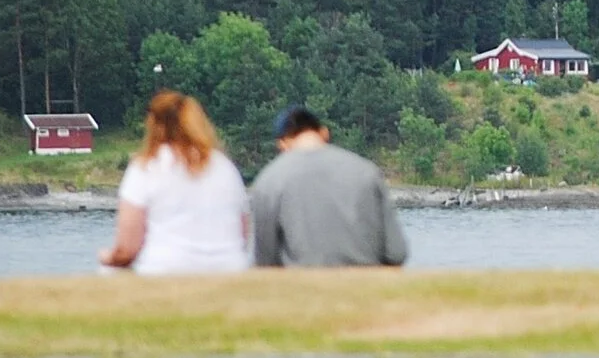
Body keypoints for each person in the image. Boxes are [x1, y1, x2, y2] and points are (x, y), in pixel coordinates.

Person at [99, 90, 251, 274]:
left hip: (165, 268)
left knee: (109, 270)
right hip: (230, 268)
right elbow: (242, 234)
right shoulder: (224, 166)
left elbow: (127, 249)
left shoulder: (145, 168)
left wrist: (107, 257)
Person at [248, 106, 408, 268]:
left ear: (282, 143)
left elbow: (265, 261)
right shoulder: (367, 171)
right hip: (365, 285)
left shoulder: (269, 180)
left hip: (303, 287)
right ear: (324, 132)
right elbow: (396, 252)